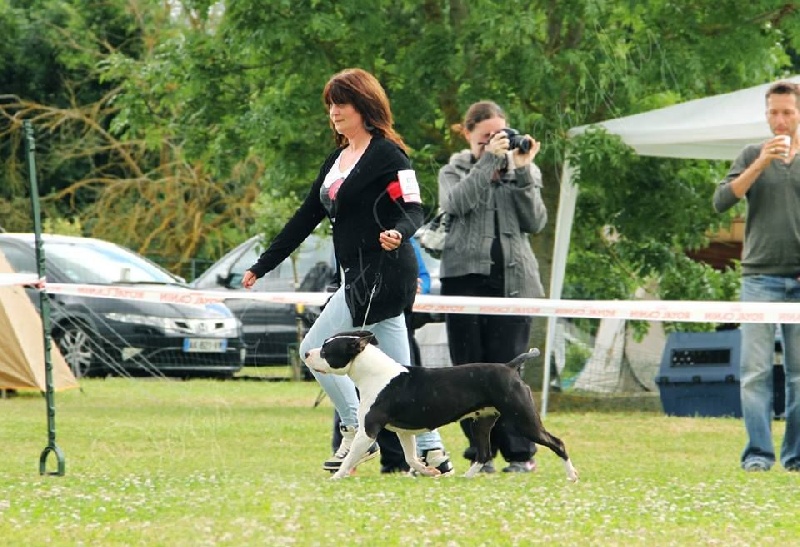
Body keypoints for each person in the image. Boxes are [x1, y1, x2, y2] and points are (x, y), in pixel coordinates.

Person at [242, 68, 453, 476]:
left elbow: (413, 208)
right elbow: (304, 218)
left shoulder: (389, 155)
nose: (334, 112)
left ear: (365, 107)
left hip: (382, 275)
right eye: (330, 105)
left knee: (313, 350)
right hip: (357, 276)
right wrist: (263, 264)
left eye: (342, 104)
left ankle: (357, 428)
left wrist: (399, 232)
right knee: (402, 374)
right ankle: (432, 451)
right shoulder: (335, 162)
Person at [437, 100, 547, 473]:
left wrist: (523, 170)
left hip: (515, 282)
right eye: (485, 137)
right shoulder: (453, 170)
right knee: (467, 371)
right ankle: (480, 453)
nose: (493, 141)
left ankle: (520, 453)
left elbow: (535, 221)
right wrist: (487, 162)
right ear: (468, 134)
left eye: (499, 134)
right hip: (464, 280)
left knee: (509, 373)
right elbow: (455, 204)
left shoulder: (521, 169)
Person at [713, 80, 800, 472]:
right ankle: (759, 455)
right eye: (773, 112)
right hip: (759, 279)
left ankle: (795, 457)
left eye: (787, 112)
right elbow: (721, 201)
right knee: (754, 373)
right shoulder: (751, 154)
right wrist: (761, 163)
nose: (779, 120)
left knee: (799, 377)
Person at [331, 237, 430, 473]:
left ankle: (397, 462)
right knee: (353, 392)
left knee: (399, 394)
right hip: (360, 323)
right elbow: (339, 278)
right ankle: (348, 454)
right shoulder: (350, 236)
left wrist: (418, 287)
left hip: (394, 319)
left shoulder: (404, 238)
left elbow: (424, 277)